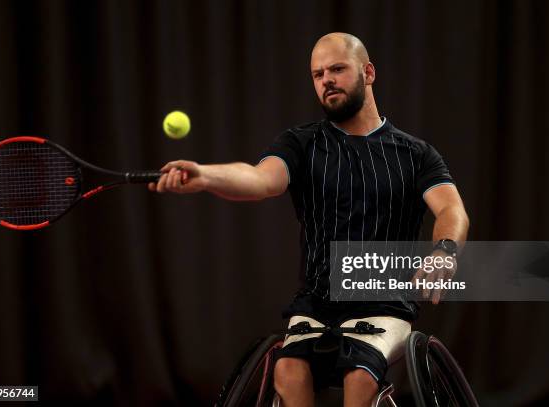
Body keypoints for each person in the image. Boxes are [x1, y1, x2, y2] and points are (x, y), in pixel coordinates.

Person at [149, 32, 469, 407]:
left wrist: (445, 250)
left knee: (359, 375)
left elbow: (452, 209)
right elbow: (259, 179)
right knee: (288, 371)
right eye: (317, 74)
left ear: (368, 73)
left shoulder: (416, 154)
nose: (326, 80)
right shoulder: (301, 144)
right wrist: (206, 176)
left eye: (337, 69)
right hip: (317, 302)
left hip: (386, 301)